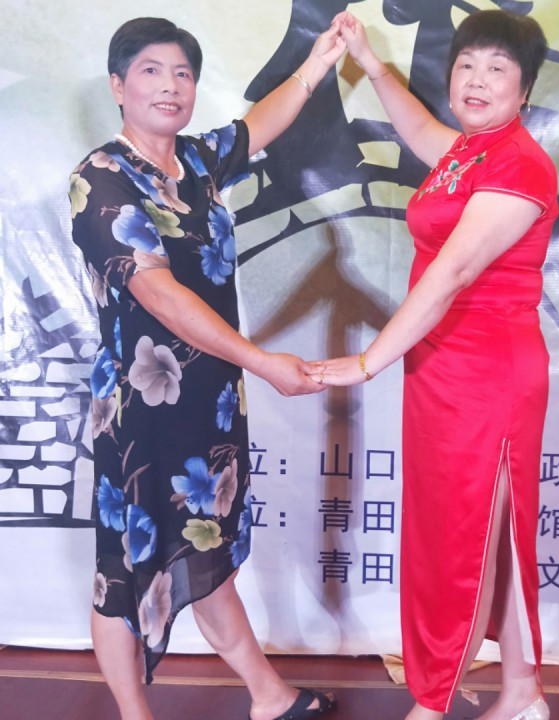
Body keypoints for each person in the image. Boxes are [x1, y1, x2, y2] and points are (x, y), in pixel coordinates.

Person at [69, 16, 345, 720]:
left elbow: (260, 124)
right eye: (151, 71)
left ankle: (268, 696)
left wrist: (318, 63)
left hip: (211, 402)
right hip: (142, 411)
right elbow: (159, 294)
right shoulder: (99, 178)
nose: (170, 85)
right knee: (122, 572)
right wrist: (262, 362)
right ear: (118, 86)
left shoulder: (195, 161)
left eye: (183, 73)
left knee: (204, 543)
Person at [311, 10, 558, 720]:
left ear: (524, 90)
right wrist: (368, 60)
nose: (477, 80)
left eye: (497, 69)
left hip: (489, 376)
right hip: (441, 369)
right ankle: (521, 694)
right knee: (483, 536)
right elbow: (419, 129)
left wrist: (367, 362)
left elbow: (451, 274)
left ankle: (434, 699)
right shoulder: (469, 152)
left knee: (463, 541)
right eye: (466, 65)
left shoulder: (519, 164)